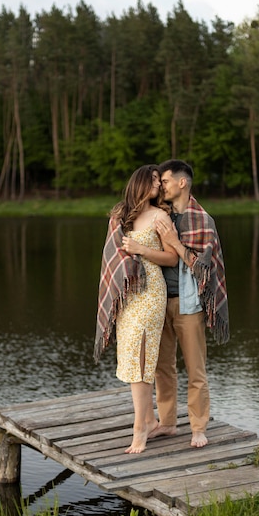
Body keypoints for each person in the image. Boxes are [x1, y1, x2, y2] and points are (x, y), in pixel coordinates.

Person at [94, 165, 178, 454]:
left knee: (142, 358)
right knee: (131, 357)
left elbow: (172, 258)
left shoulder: (160, 216)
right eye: (153, 179)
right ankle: (151, 419)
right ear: (141, 183)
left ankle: (139, 427)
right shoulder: (120, 216)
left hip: (151, 292)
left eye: (160, 180)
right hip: (127, 295)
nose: (158, 184)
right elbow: (112, 257)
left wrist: (141, 250)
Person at [150, 159, 229, 448]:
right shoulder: (159, 214)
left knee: (196, 369)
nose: (162, 186)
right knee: (163, 368)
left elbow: (203, 270)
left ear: (182, 183)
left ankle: (198, 427)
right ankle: (168, 423)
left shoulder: (203, 220)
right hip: (159, 301)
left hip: (189, 304)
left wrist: (175, 241)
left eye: (167, 181)